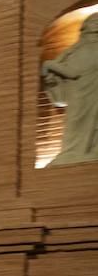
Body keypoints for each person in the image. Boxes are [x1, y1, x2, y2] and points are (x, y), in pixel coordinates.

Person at [41, 12, 98, 166]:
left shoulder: (87, 48)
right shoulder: (78, 49)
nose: (96, 23)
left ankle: (81, 152)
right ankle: (74, 152)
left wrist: (49, 65)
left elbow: (73, 71)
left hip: (90, 91)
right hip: (80, 92)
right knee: (77, 121)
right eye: (93, 20)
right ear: (85, 26)